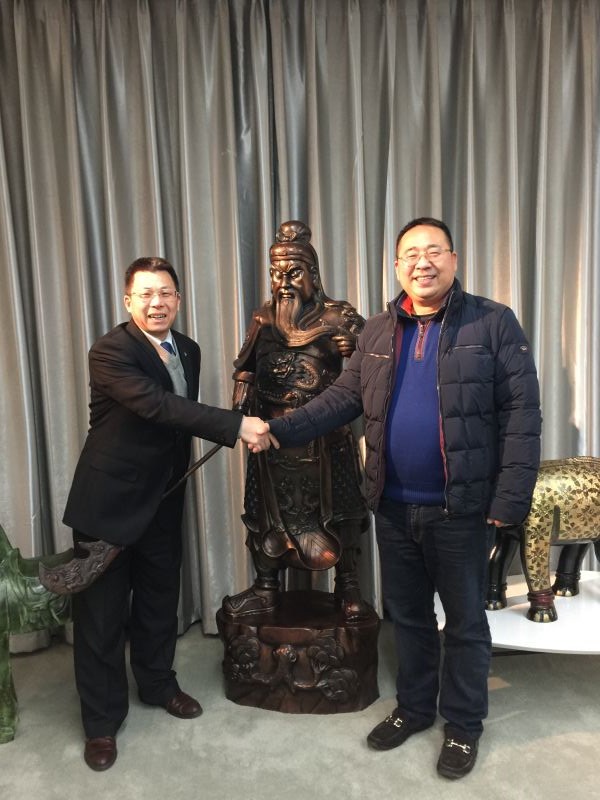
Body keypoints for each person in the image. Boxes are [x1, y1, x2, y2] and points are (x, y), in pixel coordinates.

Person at [261, 218, 542, 780]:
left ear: (454, 260)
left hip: (460, 508)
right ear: (396, 267)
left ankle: (462, 724)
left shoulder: (492, 322)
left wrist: (508, 501)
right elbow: (341, 399)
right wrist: (275, 429)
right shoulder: (378, 331)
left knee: (464, 623)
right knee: (408, 618)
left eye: (433, 251)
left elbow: (522, 416)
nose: (422, 262)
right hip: (392, 505)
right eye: (411, 254)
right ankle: (414, 708)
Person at [43, 257, 270, 772]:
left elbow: (178, 423)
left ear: (178, 300)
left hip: (165, 498)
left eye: (165, 293)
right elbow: (157, 406)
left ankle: (157, 684)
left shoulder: (188, 349)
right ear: (128, 301)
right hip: (109, 503)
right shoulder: (110, 351)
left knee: (158, 599)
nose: (156, 302)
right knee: (102, 618)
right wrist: (236, 425)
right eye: (145, 294)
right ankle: (101, 722)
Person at [222, 220, 370, 620]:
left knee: (341, 511)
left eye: (294, 273)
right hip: (270, 437)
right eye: (277, 274)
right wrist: (237, 411)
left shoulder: (339, 316)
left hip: (326, 437)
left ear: (313, 275)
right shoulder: (264, 319)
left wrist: (354, 348)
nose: (283, 283)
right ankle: (265, 587)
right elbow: (245, 369)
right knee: (265, 514)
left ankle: (348, 587)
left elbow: (372, 369)